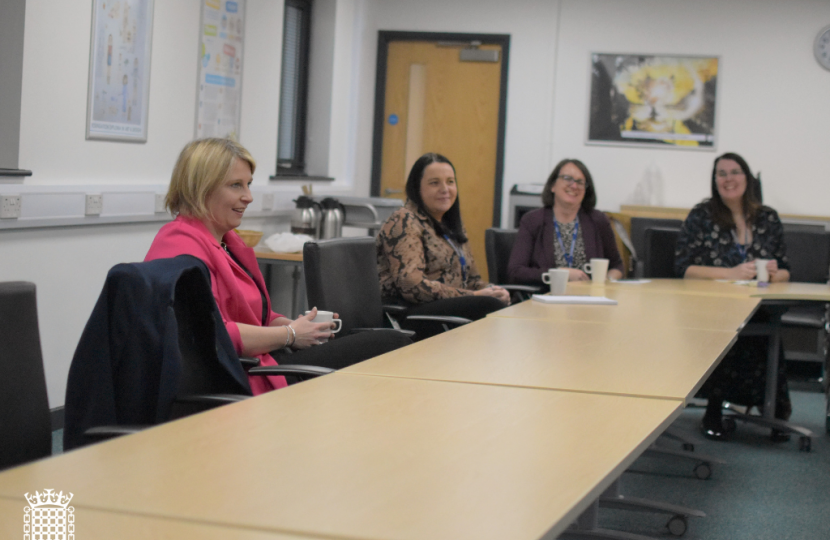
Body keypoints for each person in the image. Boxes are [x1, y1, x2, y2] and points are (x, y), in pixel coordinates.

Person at [146, 138, 411, 396]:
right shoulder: (180, 248)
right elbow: (213, 335)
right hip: (245, 377)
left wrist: (301, 327)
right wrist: (290, 334)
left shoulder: (227, 241)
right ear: (201, 188)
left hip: (267, 361)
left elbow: (258, 315)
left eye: (248, 185)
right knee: (392, 343)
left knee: (380, 343)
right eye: (236, 185)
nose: (248, 197)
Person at [675, 152, 791, 441]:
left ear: (747, 178)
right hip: (716, 305)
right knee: (727, 328)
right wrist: (731, 273)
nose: (729, 179)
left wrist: (775, 274)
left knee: (767, 327)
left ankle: (773, 411)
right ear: (715, 181)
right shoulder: (701, 216)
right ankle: (714, 409)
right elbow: (685, 269)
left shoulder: (768, 217)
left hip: (759, 303)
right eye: (722, 174)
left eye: (735, 172)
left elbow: (787, 270)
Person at [376, 153, 509, 334]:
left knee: (498, 300)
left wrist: (491, 290)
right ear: (417, 188)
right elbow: (411, 284)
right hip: (412, 312)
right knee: (488, 306)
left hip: (448, 306)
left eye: (450, 182)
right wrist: (474, 296)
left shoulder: (451, 224)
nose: (445, 189)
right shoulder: (405, 220)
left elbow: (472, 279)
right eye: (434, 183)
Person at [507, 159, 623, 285]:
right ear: (553, 186)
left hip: (589, 299)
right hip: (546, 297)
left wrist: (606, 282)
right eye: (567, 178)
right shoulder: (532, 221)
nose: (574, 186)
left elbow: (617, 266)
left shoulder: (598, 220)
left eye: (580, 182)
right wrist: (559, 274)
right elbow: (515, 272)